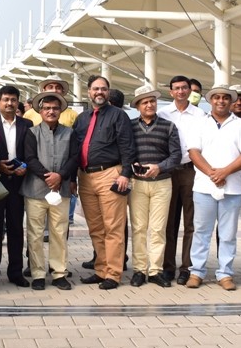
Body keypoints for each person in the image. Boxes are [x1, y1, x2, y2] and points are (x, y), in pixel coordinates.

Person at [185, 86, 241, 290]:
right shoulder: (199, 123)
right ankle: (197, 272)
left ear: (231, 101)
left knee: (228, 234)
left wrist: (224, 172)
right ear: (211, 101)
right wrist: (212, 173)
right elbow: (193, 152)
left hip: (232, 187)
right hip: (204, 186)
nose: (221, 101)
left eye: (225, 98)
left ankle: (225, 273)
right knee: (201, 231)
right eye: (217, 97)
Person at [74, 75, 136, 290]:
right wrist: (72, 178)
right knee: (96, 228)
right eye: (95, 89)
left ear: (108, 92)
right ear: (89, 92)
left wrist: (125, 173)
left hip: (110, 174)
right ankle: (101, 270)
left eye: (103, 89)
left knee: (113, 227)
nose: (99, 92)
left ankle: (113, 273)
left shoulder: (118, 115)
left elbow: (127, 145)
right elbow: (75, 149)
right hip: (85, 177)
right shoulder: (82, 118)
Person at [23, 91, 79, 291]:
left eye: (55, 108)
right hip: (35, 190)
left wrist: (60, 176)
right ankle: (38, 273)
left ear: (60, 111)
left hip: (61, 190)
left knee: (59, 232)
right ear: (40, 111)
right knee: (35, 234)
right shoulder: (32, 133)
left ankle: (59, 273)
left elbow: (74, 158)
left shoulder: (69, 133)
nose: (51, 111)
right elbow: (30, 158)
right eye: (47, 108)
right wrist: (49, 176)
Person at [128, 85, 181, 288]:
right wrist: (132, 165)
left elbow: (176, 155)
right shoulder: (130, 126)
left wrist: (159, 167)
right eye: (145, 102)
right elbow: (125, 151)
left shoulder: (169, 126)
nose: (149, 105)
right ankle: (139, 270)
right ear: (138, 106)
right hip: (138, 183)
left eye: (152, 101)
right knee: (139, 228)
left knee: (158, 229)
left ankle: (155, 271)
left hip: (162, 183)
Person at [157, 75, 206, 285]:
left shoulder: (200, 115)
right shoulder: (163, 113)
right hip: (168, 171)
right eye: (176, 88)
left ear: (189, 90)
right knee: (168, 222)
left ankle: (187, 267)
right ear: (171, 92)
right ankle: (168, 267)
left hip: (190, 170)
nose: (181, 91)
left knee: (191, 222)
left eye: (184, 88)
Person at [0, 85, 32, 288]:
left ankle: (15, 272)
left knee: (16, 228)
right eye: (5, 99)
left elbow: (31, 152)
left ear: (18, 102)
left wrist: (25, 167)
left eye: (13, 100)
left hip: (18, 183)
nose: (9, 103)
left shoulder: (27, 124)